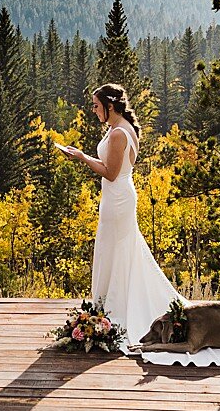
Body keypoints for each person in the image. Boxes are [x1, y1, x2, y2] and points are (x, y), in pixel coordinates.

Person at [58, 83, 181, 343]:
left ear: (109, 106)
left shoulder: (118, 134)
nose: (93, 110)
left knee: (114, 251)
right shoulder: (121, 127)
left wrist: (81, 157)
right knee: (118, 251)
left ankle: (113, 313)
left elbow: (110, 172)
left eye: (96, 106)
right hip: (118, 196)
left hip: (117, 198)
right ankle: (107, 309)